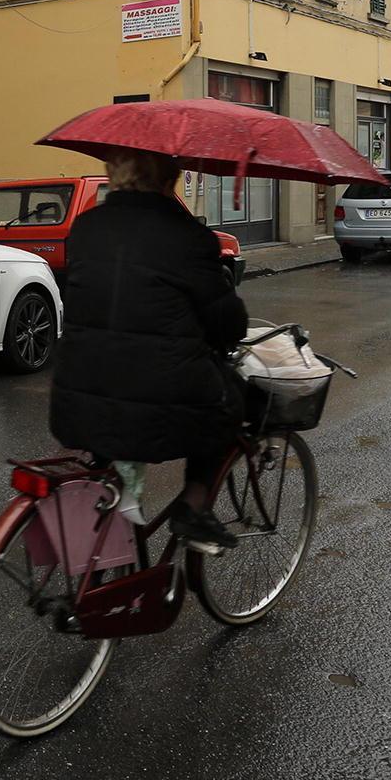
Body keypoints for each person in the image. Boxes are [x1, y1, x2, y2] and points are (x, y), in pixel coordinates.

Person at [48, 148, 249, 554]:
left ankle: (103, 550)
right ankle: (194, 507)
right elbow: (228, 324)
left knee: (110, 431)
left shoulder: (86, 228)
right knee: (234, 405)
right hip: (156, 397)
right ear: (168, 179)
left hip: (76, 391)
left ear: (114, 173)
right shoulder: (188, 236)